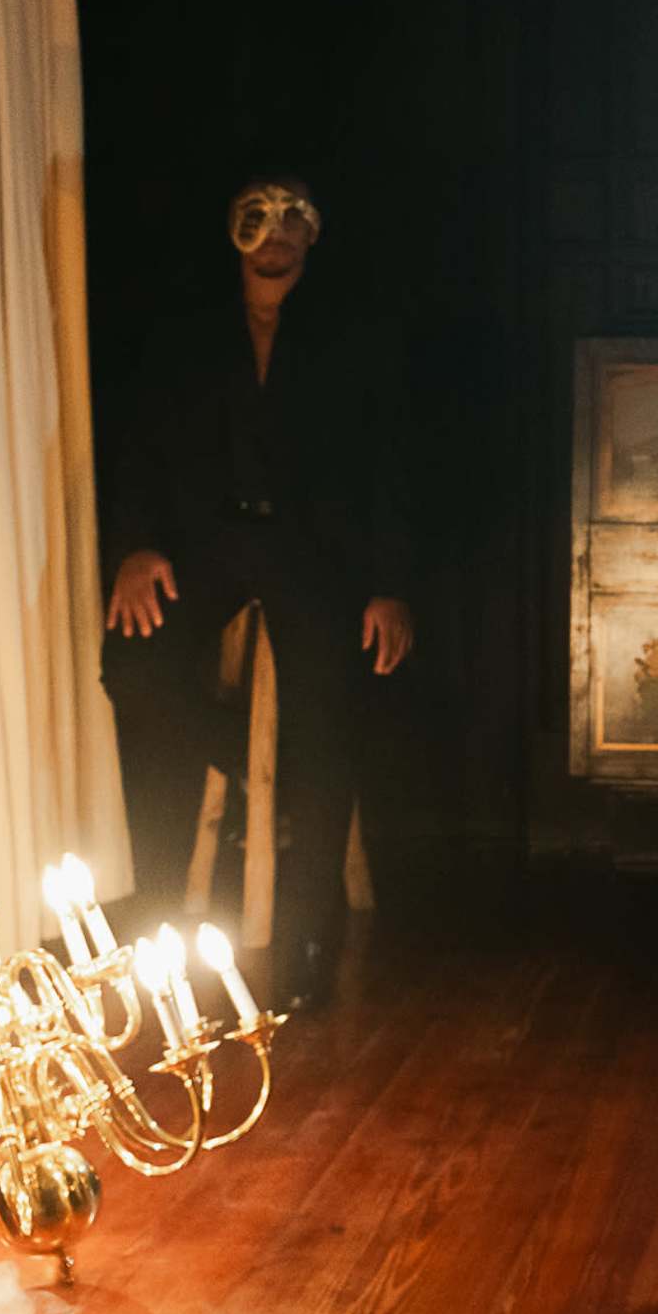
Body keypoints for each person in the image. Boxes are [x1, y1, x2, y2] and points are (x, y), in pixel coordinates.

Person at [98, 167, 418, 1010]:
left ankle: (310, 935)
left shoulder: (355, 335)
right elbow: (137, 442)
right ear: (232, 233)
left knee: (329, 700)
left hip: (316, 552)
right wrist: (135, 549)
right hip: (204, 542)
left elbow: (391, 462)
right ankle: (164, 905)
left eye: (292, 222)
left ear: (314, 236)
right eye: (256, 220)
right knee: (135, 662)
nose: (274, 237)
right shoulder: (185, 332)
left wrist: (388, 585)